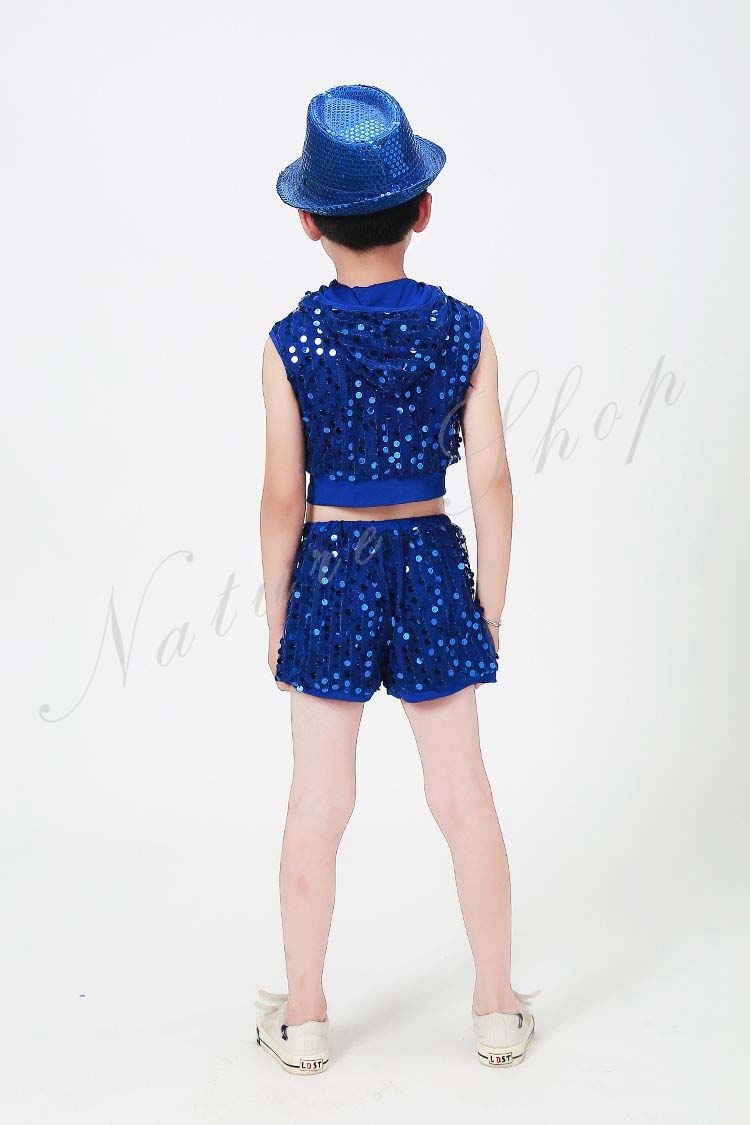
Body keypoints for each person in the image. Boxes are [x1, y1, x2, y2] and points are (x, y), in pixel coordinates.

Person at [256, 85, 536, 1074]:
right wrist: (486, 603)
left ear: (308, 221)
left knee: (317, 801)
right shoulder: (465, 330)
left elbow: (281, 498)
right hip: (430, 566)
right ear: (423, 209)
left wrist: (281, 611)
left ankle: (304, 1015)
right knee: (463, 795)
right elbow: (492, 479)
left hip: (331, 571)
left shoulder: (290, 343)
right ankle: (495, 1006)